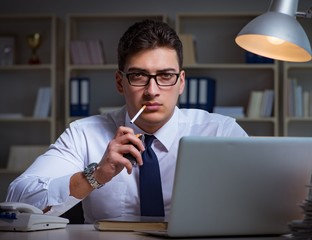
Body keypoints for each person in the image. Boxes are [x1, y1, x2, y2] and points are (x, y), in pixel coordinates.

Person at [6, 19, 248, 223]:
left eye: (165, 76)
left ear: (181, 82)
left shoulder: (220, 131)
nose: (152, 90)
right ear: (120, 82)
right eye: (139, 76)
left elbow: (265, 197)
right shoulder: (84, 134)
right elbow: (17, 200)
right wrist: (96, 176)